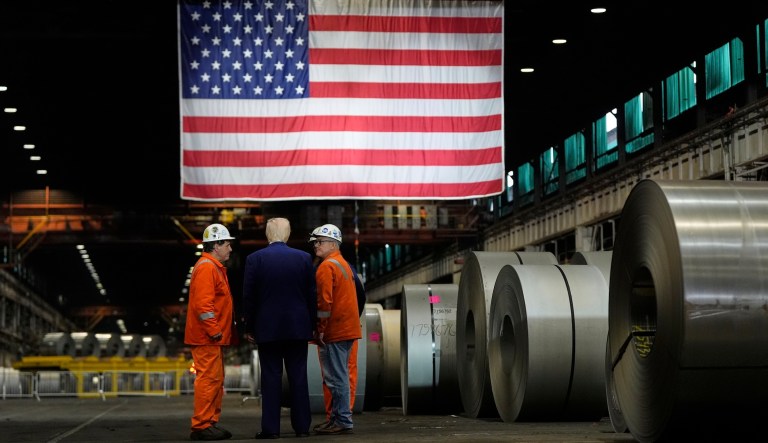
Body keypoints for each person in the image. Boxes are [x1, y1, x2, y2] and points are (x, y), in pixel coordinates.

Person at [242, 218, 317, 439]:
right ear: (288, 234)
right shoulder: (304, 258)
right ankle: (302, 428)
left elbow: (249, 297)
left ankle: (271, 429)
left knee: (271, 378)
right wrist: (312, 325)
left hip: (267, 328)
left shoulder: (255, 259)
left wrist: (249, 326)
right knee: (299, 376)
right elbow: (312, 295)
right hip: (297, 327)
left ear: (267, 234)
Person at [185, 223, 237, 441]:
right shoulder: (207, 267)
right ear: (216, 245)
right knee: (209, 380)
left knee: (214, 380)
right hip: (207, 337)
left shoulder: (212, 266)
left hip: (211, 337)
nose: (230, 249)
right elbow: (203, 305)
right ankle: (202, 425)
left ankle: (209, 423)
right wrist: (215, 330)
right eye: (227, 244)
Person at [309, 223, 362, 435]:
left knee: (336, 378)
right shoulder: (343, 264)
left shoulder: (326, 267)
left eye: (320, 242)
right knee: (340, 376)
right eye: (315, 242)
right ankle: (337, 419)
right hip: (348, 329)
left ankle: (342, 420)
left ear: (333, 243)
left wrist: (320, 330)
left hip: (335, 331)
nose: (316, 246)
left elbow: (324, 303)